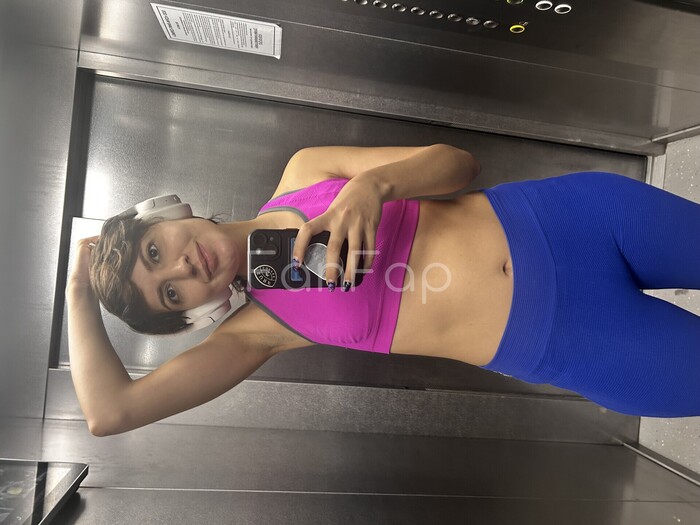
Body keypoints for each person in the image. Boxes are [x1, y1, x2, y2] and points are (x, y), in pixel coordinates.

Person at [66, 145, 700, 436]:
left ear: (167, 214)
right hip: (573, 343)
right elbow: (111, 413)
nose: (183, 268)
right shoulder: (256, 333)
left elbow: (460, 163)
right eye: (170, 294)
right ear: (193, 315)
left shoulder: (305, 171)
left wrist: (371, 188)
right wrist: (77, 290)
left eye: (156, 252)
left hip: (576, 220)